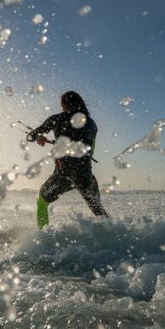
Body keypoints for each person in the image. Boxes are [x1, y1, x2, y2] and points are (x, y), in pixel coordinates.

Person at [26, 91, 110, 228]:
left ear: (64, 104)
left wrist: (38, 137)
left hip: (63, 174)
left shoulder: (57, 118)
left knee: (42, 201)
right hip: (85, 175)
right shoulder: (91, 123)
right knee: (98, 210)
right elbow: (85, 148)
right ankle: (113, 233)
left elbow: (30, 137)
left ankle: (43, 238)